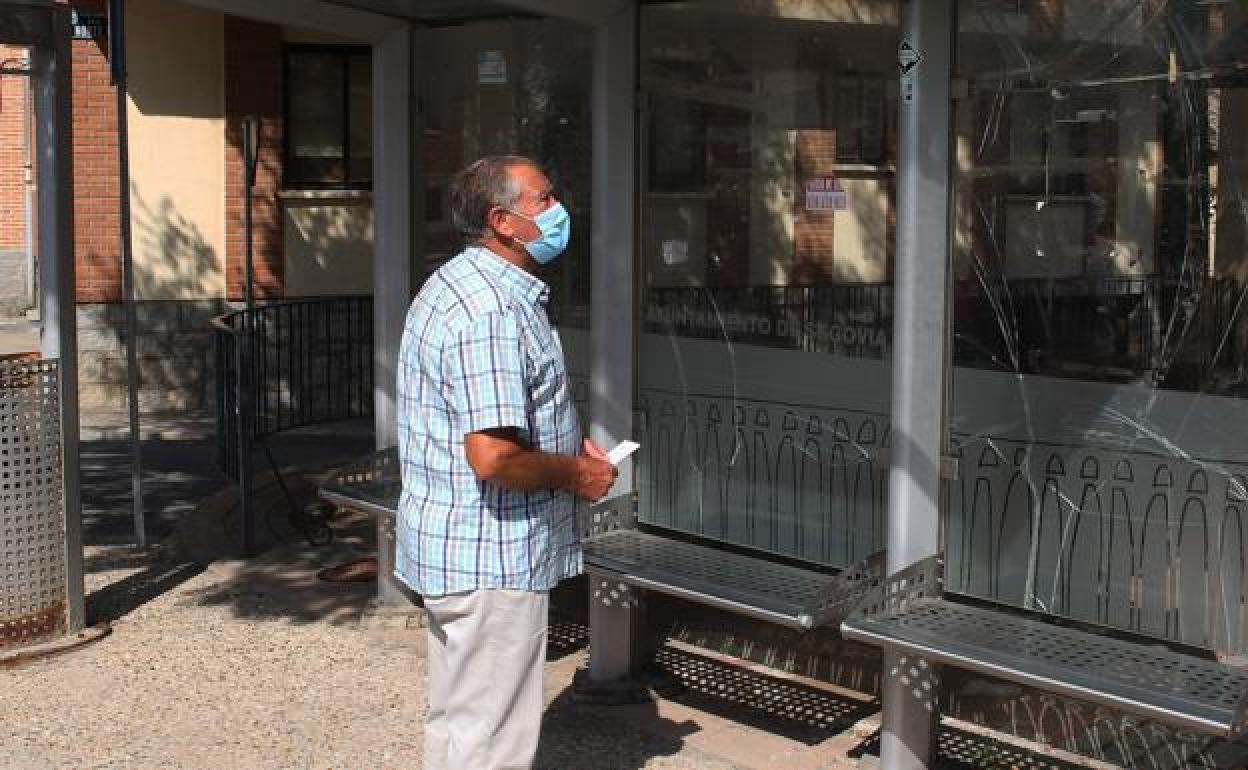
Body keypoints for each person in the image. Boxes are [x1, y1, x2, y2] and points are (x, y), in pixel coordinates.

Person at [395, 155, 617, 770]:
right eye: (544, 200)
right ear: (503, 221)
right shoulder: (491, 311)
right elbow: (491, 456)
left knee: (462, 722)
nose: (559, 210)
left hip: (462, 549)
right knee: (490, 740)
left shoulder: (461, 285)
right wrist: (579, 475)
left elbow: (495, 419)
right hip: (489, 555)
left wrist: (564, 447)